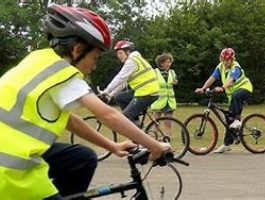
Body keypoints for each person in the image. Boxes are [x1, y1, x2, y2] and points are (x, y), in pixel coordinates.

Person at [0, 5, 170, 199]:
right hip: (10, 171)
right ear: (77, 49)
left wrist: (111, 146)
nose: (95, 65)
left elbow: (69, 120)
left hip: (8, 153)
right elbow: (108, 115)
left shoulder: (37, 60)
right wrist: (155, 146)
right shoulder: (64, 74)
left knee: (82, 158)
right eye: (95, 57)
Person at [195, 48, 253, 153]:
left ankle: (237, 121)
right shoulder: (220, 67)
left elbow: (230, 80)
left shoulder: (236, 67)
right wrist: (203, 88)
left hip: (245, 89)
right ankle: (227, 144)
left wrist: (222, 87)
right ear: (221, 58)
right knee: (228, 120)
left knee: (236, 99)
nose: (226, 62)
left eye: (228, 60)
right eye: (224, 59)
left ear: (232, 59)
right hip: (233, 96)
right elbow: (211, 79)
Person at [101, 39, 160, 127]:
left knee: (126, 117)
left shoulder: (131, 61)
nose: (118, 55)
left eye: (120, 53)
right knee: (119, 97)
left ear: (128, 52)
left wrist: (106, 91)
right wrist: (110, 95)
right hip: (142, 91)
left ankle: (137, 133)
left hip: (148, 93)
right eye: (117, 54)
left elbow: (120, 78)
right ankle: (136, 122)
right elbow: (123, 83)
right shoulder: (135, 59)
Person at [151, 53, 178, 135]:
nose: (169, 64)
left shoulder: (172, 72)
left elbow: (175, 81)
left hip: (169, 102)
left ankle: (167, 140)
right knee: (155, 123)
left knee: (168, 124)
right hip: (158, 101)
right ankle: (153, 139)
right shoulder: (154, 72)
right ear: (161, 63)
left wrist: (175, 82)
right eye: (167, 62)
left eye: (170, 62)